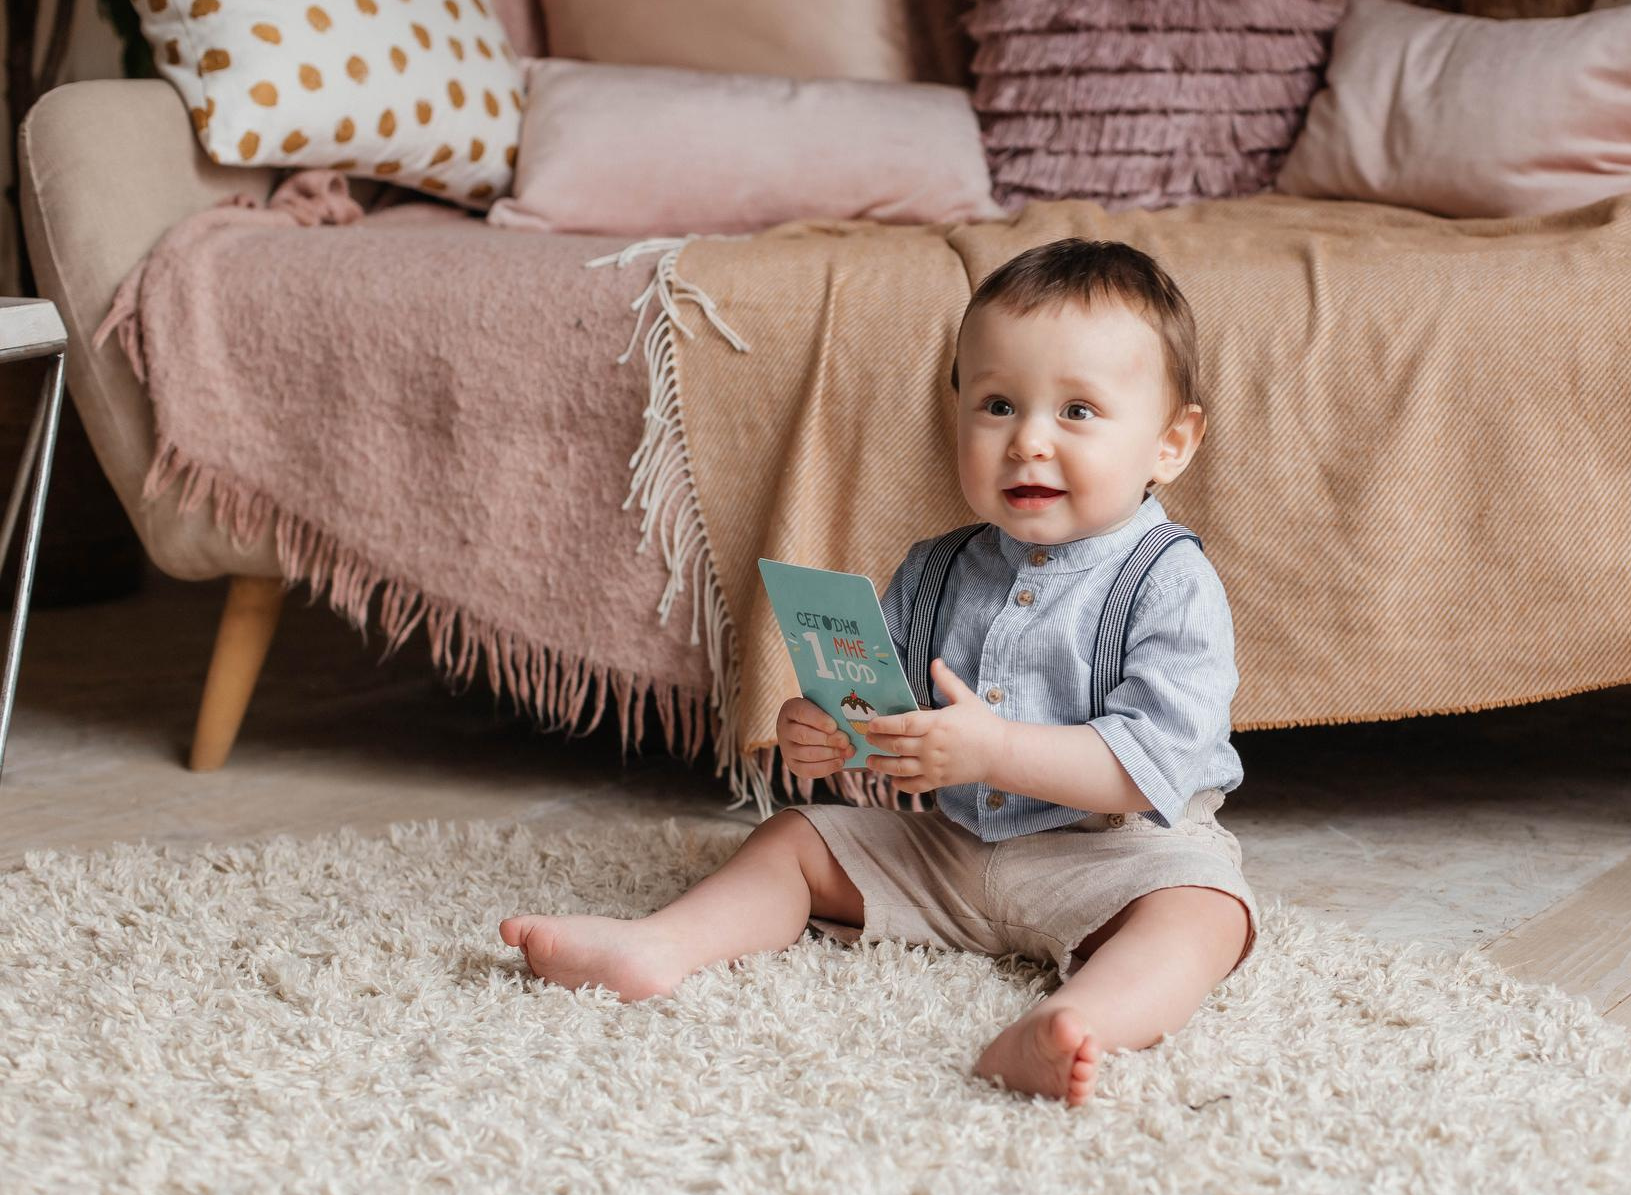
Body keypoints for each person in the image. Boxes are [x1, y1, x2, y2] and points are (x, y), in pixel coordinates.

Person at [501, 238, 1256, 1106]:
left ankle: (1074, 1021)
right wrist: (828, 732)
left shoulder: (1169, 580)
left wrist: (994, 750)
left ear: (1171, 443)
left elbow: (1144, 765)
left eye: (1077, 411)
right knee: (794, 837)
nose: (1028, 441)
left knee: (1206, 912)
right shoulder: (935, 569)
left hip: (1115, 858)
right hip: (952, 847)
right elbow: (885, 716)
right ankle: (660, 946)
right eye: (998, 405)